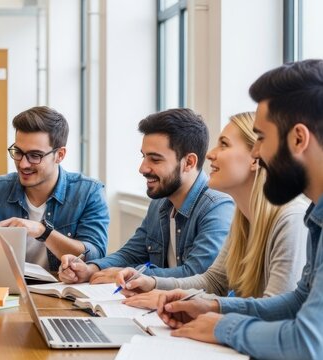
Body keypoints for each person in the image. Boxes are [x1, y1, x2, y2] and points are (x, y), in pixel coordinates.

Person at [155, 59, 323, 359]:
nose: (257, 153)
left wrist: (223, 327)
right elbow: (297, 301)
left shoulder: (295, 217)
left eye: (261, 138)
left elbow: (308, 341)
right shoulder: (315, 217)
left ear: (299, 138)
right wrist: (214, 306)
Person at [116, 112, 308, 310]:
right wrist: (154, 284)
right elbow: (214, 281)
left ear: (255, 157)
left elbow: (277, 311)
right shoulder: (243, 218)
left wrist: (208, 309)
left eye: (224, 144)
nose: (210, 154)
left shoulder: (292, 219)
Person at [59, 108, 234, 284]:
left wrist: (128, 274)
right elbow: (131, 253)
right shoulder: (160, 204)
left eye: (155, 159)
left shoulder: (217, 208)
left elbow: (197, 275)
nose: (142, 168)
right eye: (143, 157)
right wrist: (91, 269)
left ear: (189, 162)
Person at [0, 106, 109, 271]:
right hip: (5, 288)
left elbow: (95, 255)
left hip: (60, 291)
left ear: (60, 155)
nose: (23, 164)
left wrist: (43, 232)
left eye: (35, 156)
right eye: (18, 152)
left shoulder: (88, 192)